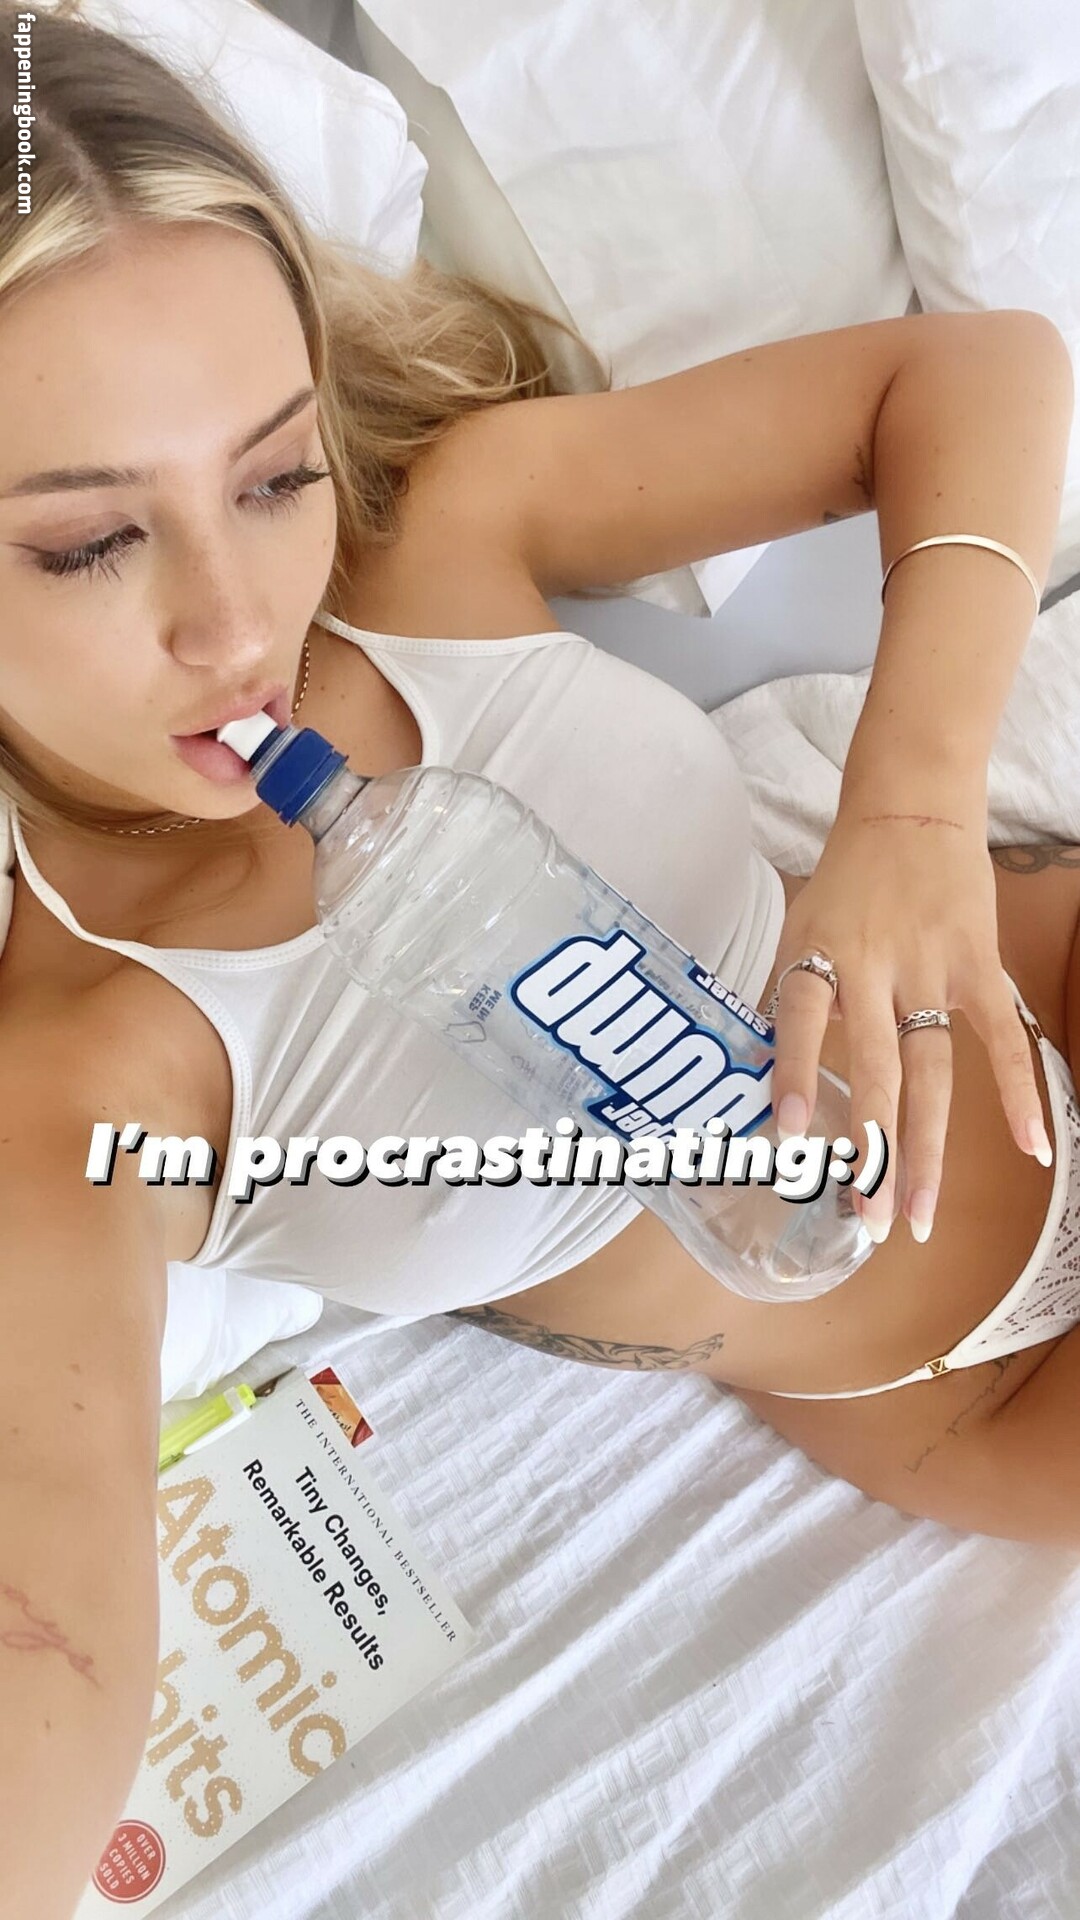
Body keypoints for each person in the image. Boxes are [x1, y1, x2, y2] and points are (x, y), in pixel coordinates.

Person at [0, 3, 1077, 1912]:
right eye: (90, 545)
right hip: (952, 1381)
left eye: (273, 475)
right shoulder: (87, 1080)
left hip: (1035, 978)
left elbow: (979, 368)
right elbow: (51, 1655)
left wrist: (909, 811)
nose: (239, 628)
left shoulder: (438, 547)